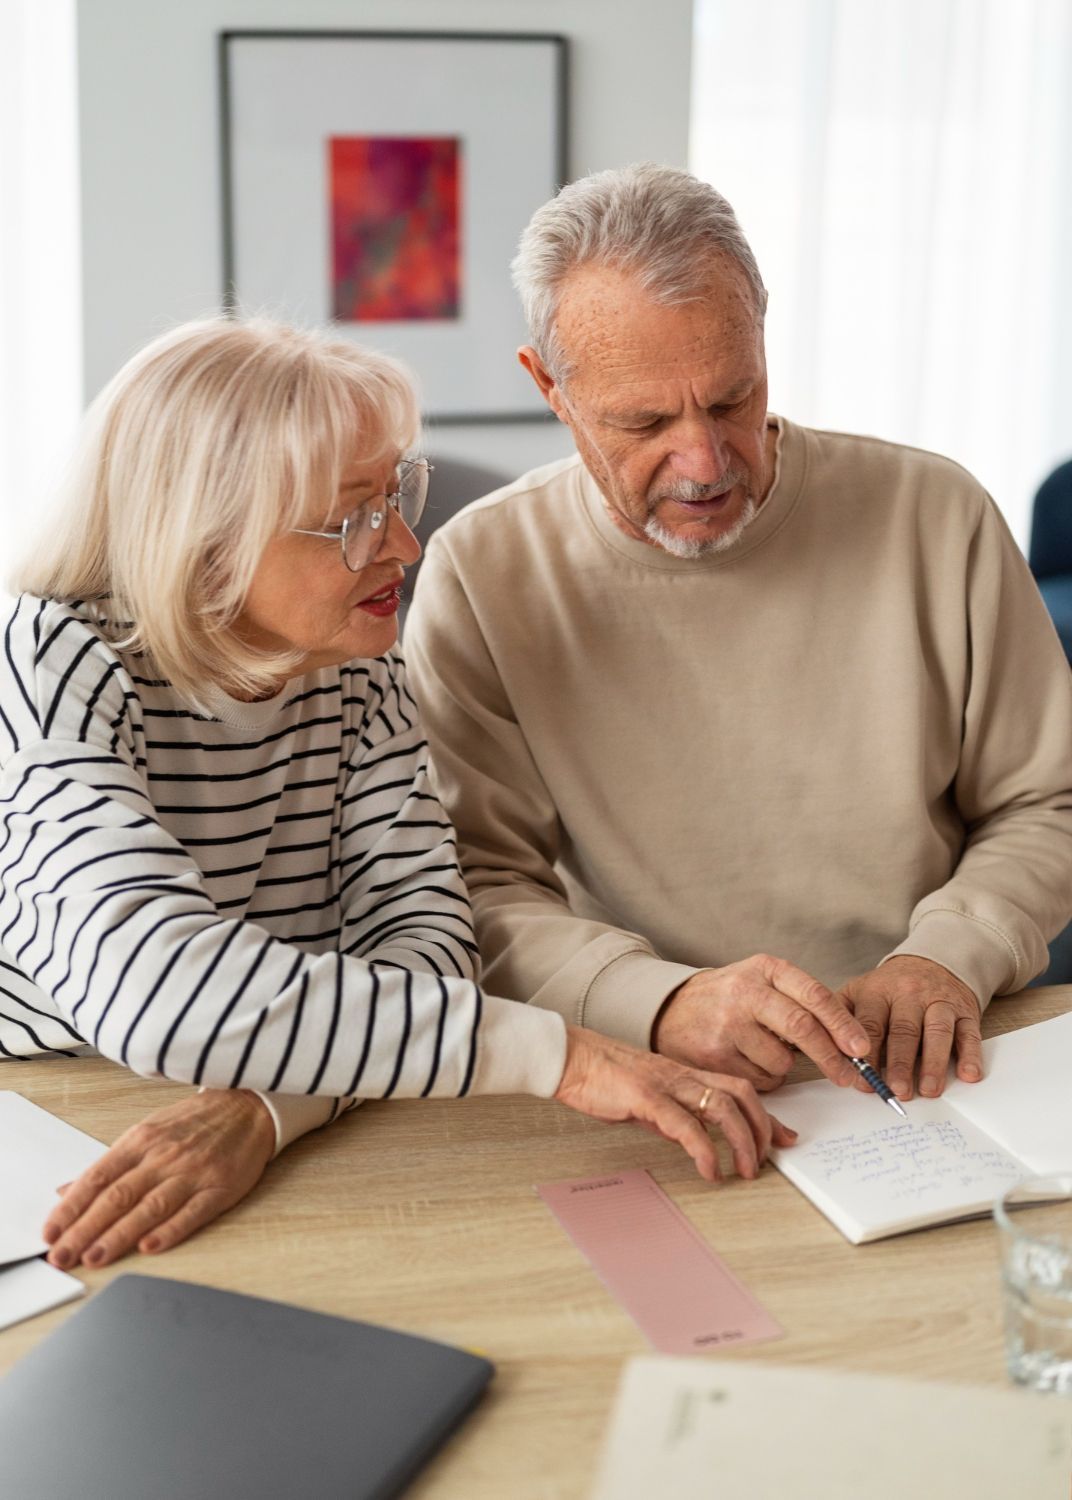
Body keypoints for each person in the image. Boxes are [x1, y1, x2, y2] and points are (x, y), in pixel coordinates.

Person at [0, 317, 810, 1271]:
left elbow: (430, 952)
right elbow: (161, 995)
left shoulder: (355, 671)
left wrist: (265, 1109)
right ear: (208, 543)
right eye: (352, 518)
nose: (404, 544)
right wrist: (567, 1057)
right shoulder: (49, 660)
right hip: (55, 1122)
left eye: (397, 495)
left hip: (284, 1101)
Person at [404, 163, 1072, 1109]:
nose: (706, 462)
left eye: (730, 398)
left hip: (932, 1044)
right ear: (549, 386)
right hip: (636, 1066)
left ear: (761, 340)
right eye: (643, 421)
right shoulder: (482, 569)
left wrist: (948, 956)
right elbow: (473, 882)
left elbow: (1049, 801)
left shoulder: (938, 513)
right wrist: (661, 999)